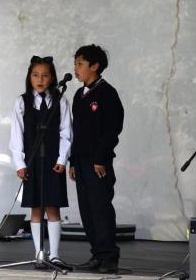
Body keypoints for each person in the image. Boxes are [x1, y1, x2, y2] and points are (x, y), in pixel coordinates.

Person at [9, 56, 72, 269]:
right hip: (32, 162)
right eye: (35, 75)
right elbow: (16, 135)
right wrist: (20, 163)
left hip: (53, 161)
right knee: (36, 209)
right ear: (29, 77)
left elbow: (66, 133)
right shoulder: (21, 102)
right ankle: (39, 254)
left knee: (52, 208)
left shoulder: (60, 100)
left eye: (45, 75)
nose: (40, 79)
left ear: (52, 77)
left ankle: (54, 254)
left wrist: (62, 159)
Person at [69, 44, 124, 274]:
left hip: (97, 163)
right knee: (87, 209)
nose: (76, 68)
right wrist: (72, 161)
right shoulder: (79, 95)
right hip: (80, 161)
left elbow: (113, 128)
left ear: (95, 66)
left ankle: (109, 256)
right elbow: (75, 131)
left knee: (101, 208)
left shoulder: (106, 93)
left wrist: (101, 158)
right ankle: (96, 253)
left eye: (80, 64)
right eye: (75, 63)